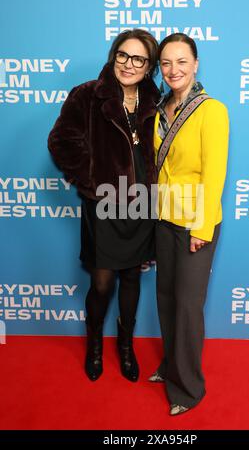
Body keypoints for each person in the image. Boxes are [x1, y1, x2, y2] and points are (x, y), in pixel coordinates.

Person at [48, 29, 160, 383]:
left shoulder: (155, 100)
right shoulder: (88, 95)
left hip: (142, 205)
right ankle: (94, 345)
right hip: (104, 206)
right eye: (123, 55)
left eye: (139, 59)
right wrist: (93, 184)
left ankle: (125, 348)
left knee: (131, 278)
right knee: (101, 283)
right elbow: (61, 142)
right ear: (113, 56)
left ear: (149, 66)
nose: (129, 64)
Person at [149, 33, 229, 415]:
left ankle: (188, 389)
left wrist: (201, 227)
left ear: (196, 64)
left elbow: (214, 175)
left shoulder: (211, 110)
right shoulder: (161, 107)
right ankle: (170, 366)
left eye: (182, 61)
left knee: (186, 305)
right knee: (165, 298)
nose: (173, 69)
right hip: (163, 218)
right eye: (166, 63)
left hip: (195, 224)